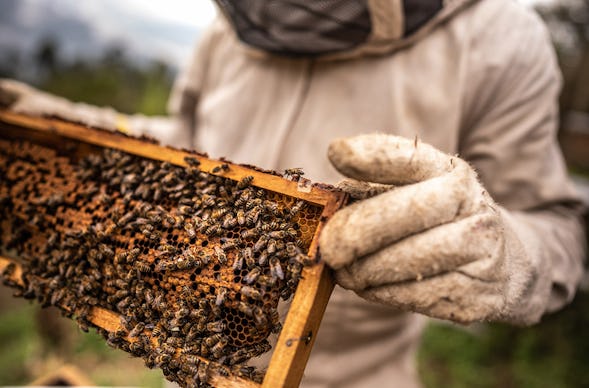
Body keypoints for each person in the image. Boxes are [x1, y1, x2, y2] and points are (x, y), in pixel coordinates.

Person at [1, 1, 586, 386]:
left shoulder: (501, 39)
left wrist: (507, 256)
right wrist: (58, 121)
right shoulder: (225, 35)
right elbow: (185, 153)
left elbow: (560, 229)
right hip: (193, 358)